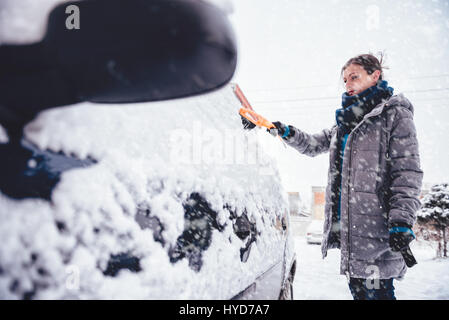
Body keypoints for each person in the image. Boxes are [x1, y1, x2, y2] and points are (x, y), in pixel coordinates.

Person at [246, 53, 424, 300]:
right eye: (345, 80)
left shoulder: (394, 115)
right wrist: (280, 130)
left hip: (378, 232)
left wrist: (402, 221)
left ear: (375, 76)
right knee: (362, 293)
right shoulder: (345, 123)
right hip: (354, 235)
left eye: (354, 77)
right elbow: (311, 144)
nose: (348, 84)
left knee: (375, 294)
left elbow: (407, 173)